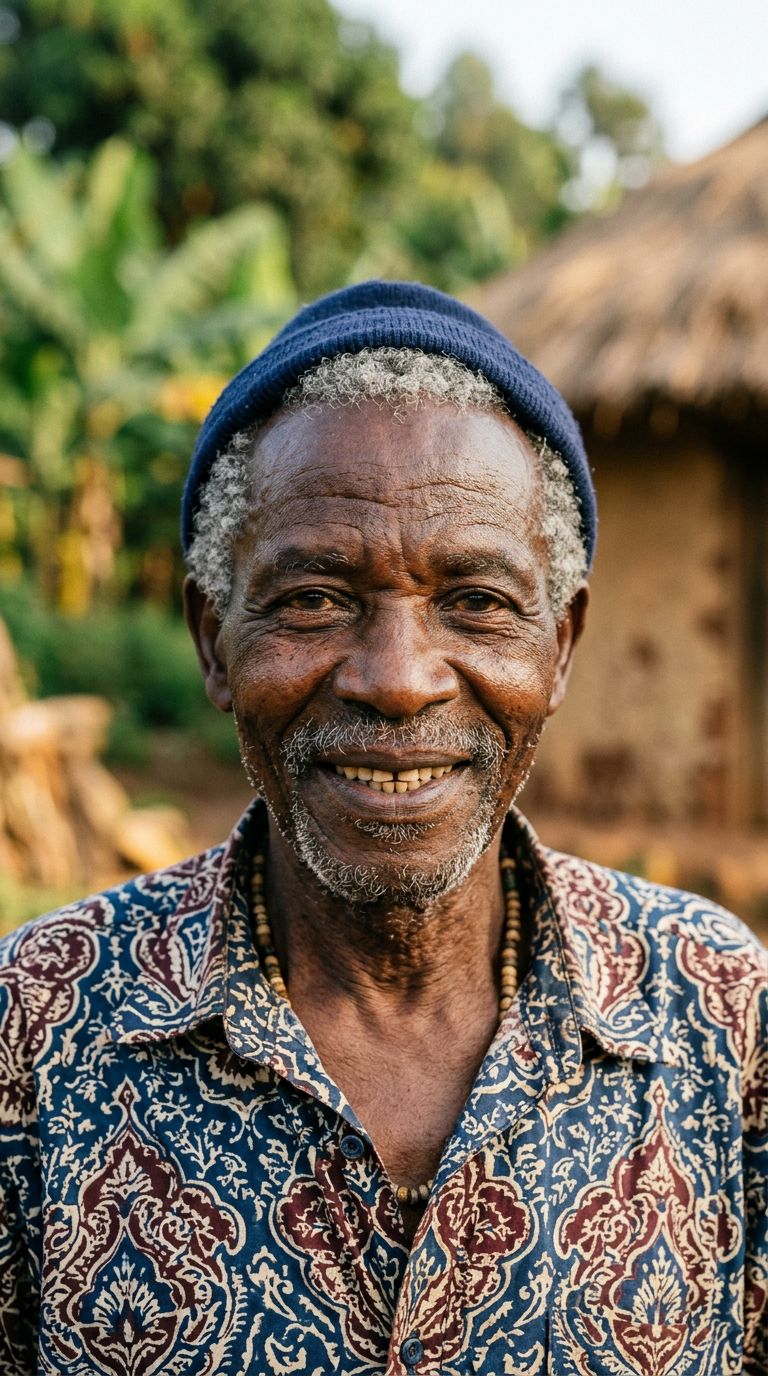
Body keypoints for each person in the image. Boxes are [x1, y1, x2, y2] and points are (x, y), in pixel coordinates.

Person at [0, 281, 765, 1376]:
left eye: (477, 601)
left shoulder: (723, 1018)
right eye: (313, 597)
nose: (399, 681)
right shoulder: (33, 1027)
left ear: (562, 646)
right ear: (215, 642)